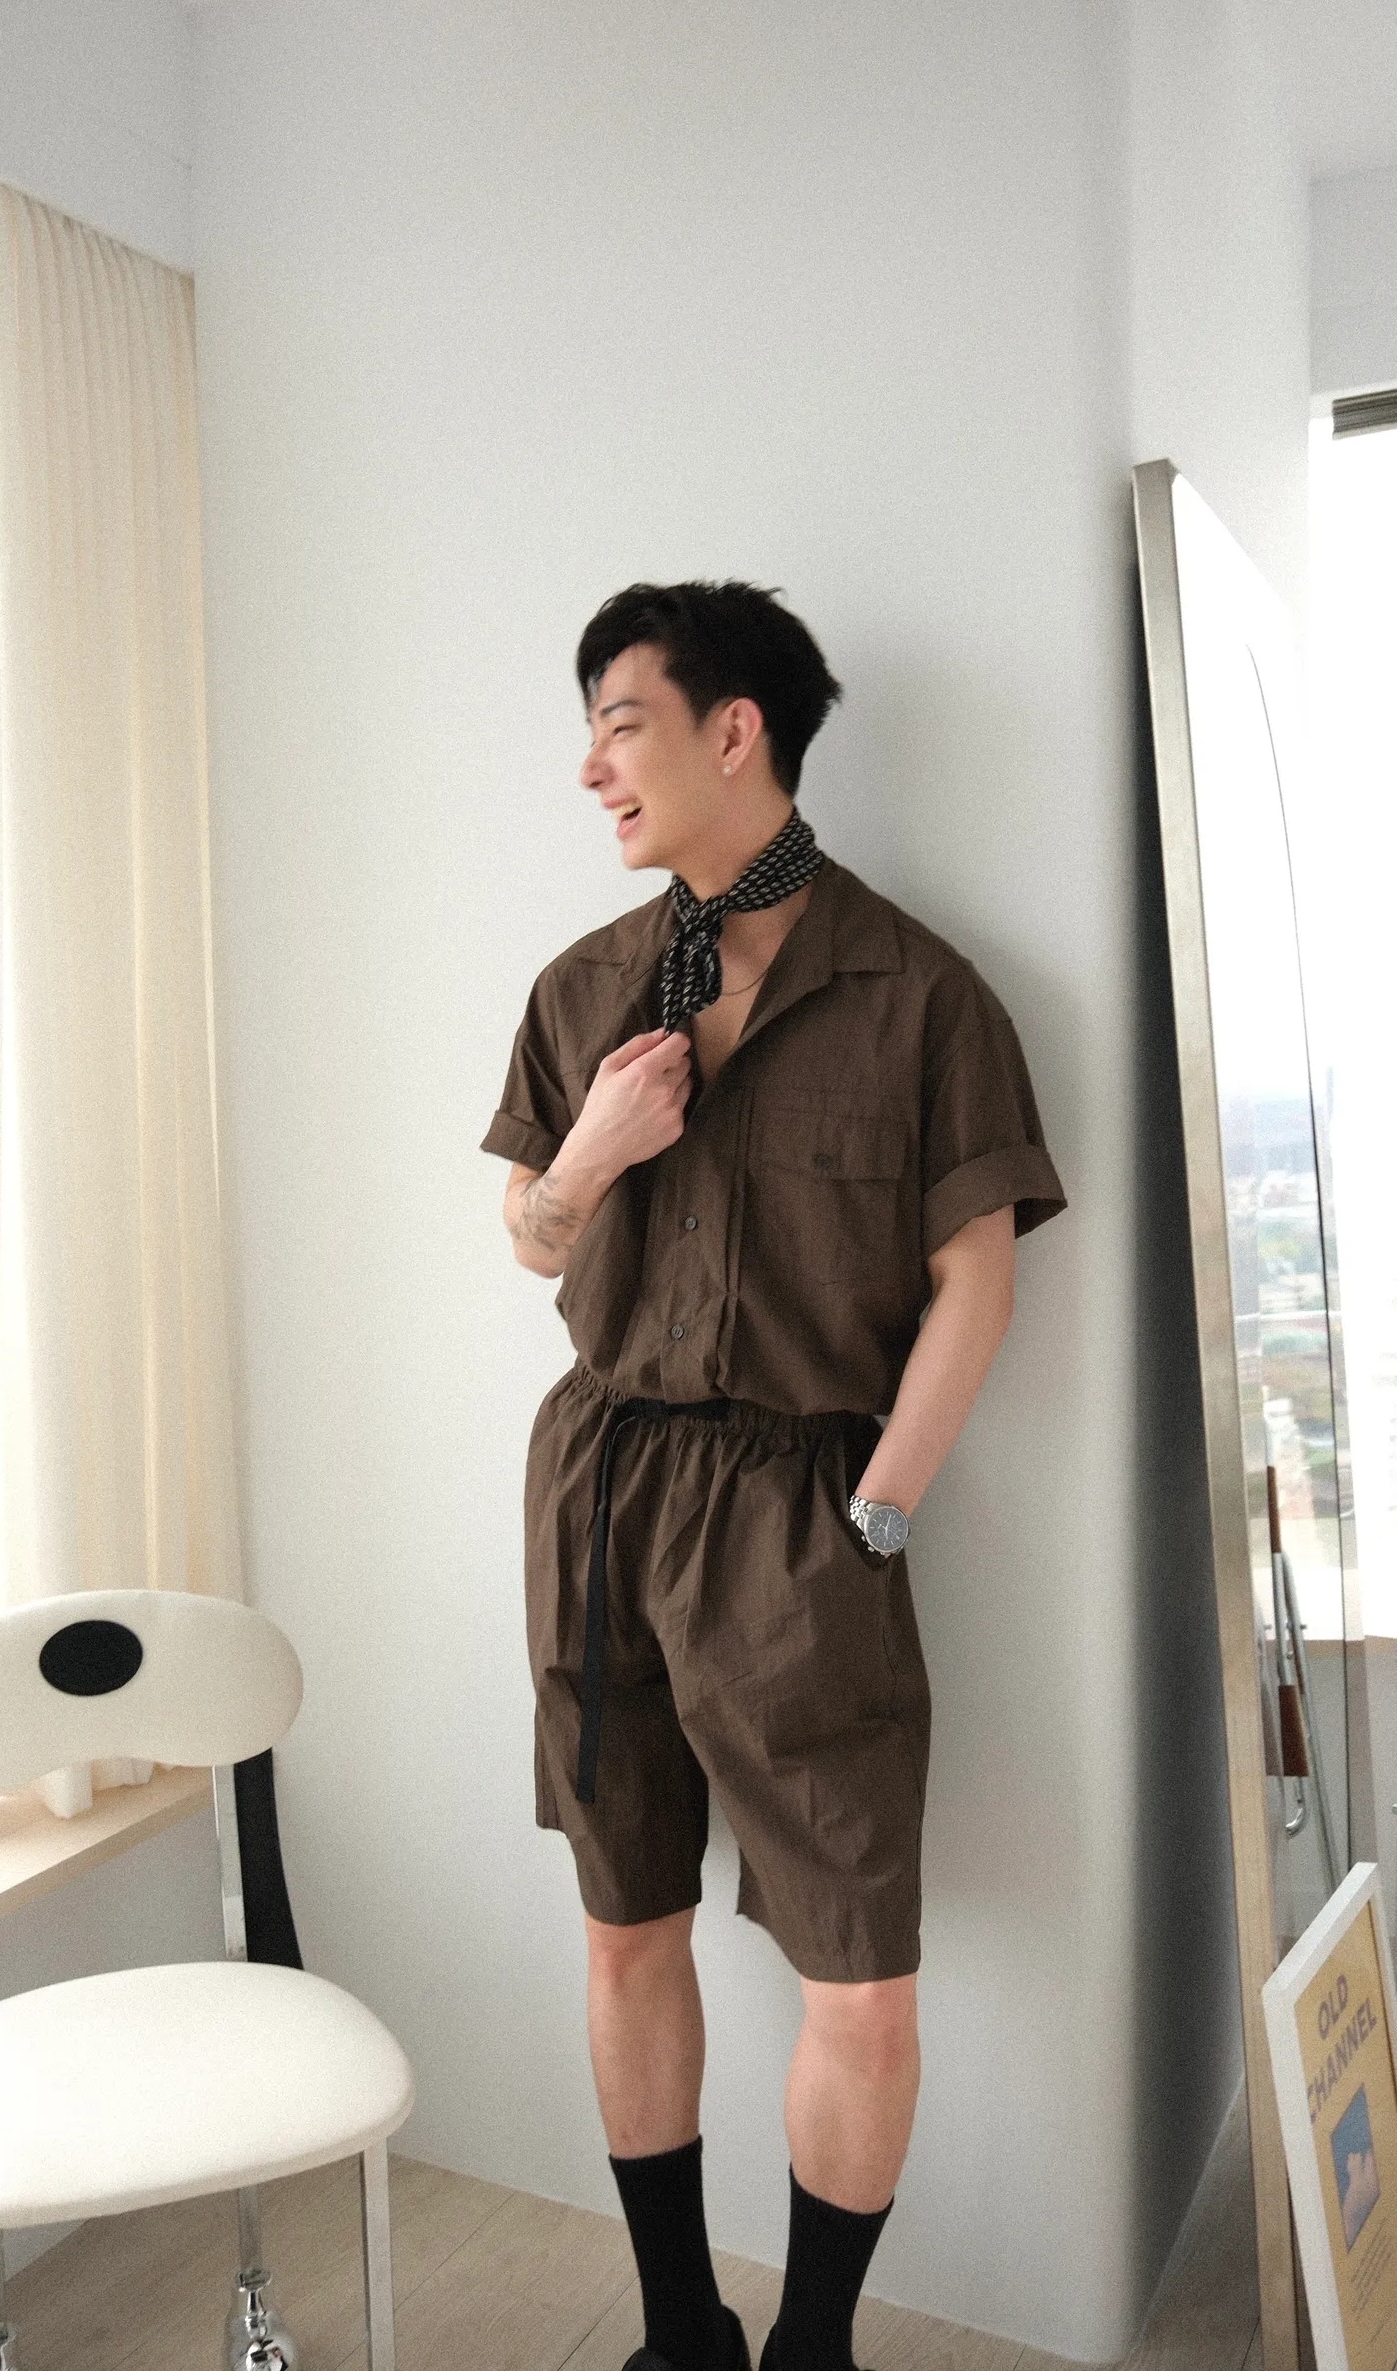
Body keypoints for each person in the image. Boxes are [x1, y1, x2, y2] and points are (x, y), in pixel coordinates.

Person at [481, 582, 1066, 2371]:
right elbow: (530, 1237)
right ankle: (681, 2333)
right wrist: (593, 1149)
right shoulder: (586, 987)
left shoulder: (922, 997)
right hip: (602, 1492)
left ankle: (814, 2347)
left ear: (735, 731)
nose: (591, 769)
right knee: (625, 1930)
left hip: (805, 1512)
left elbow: (977, 1279)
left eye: (621, 725)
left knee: (862, 1983)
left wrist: (875, 1511)